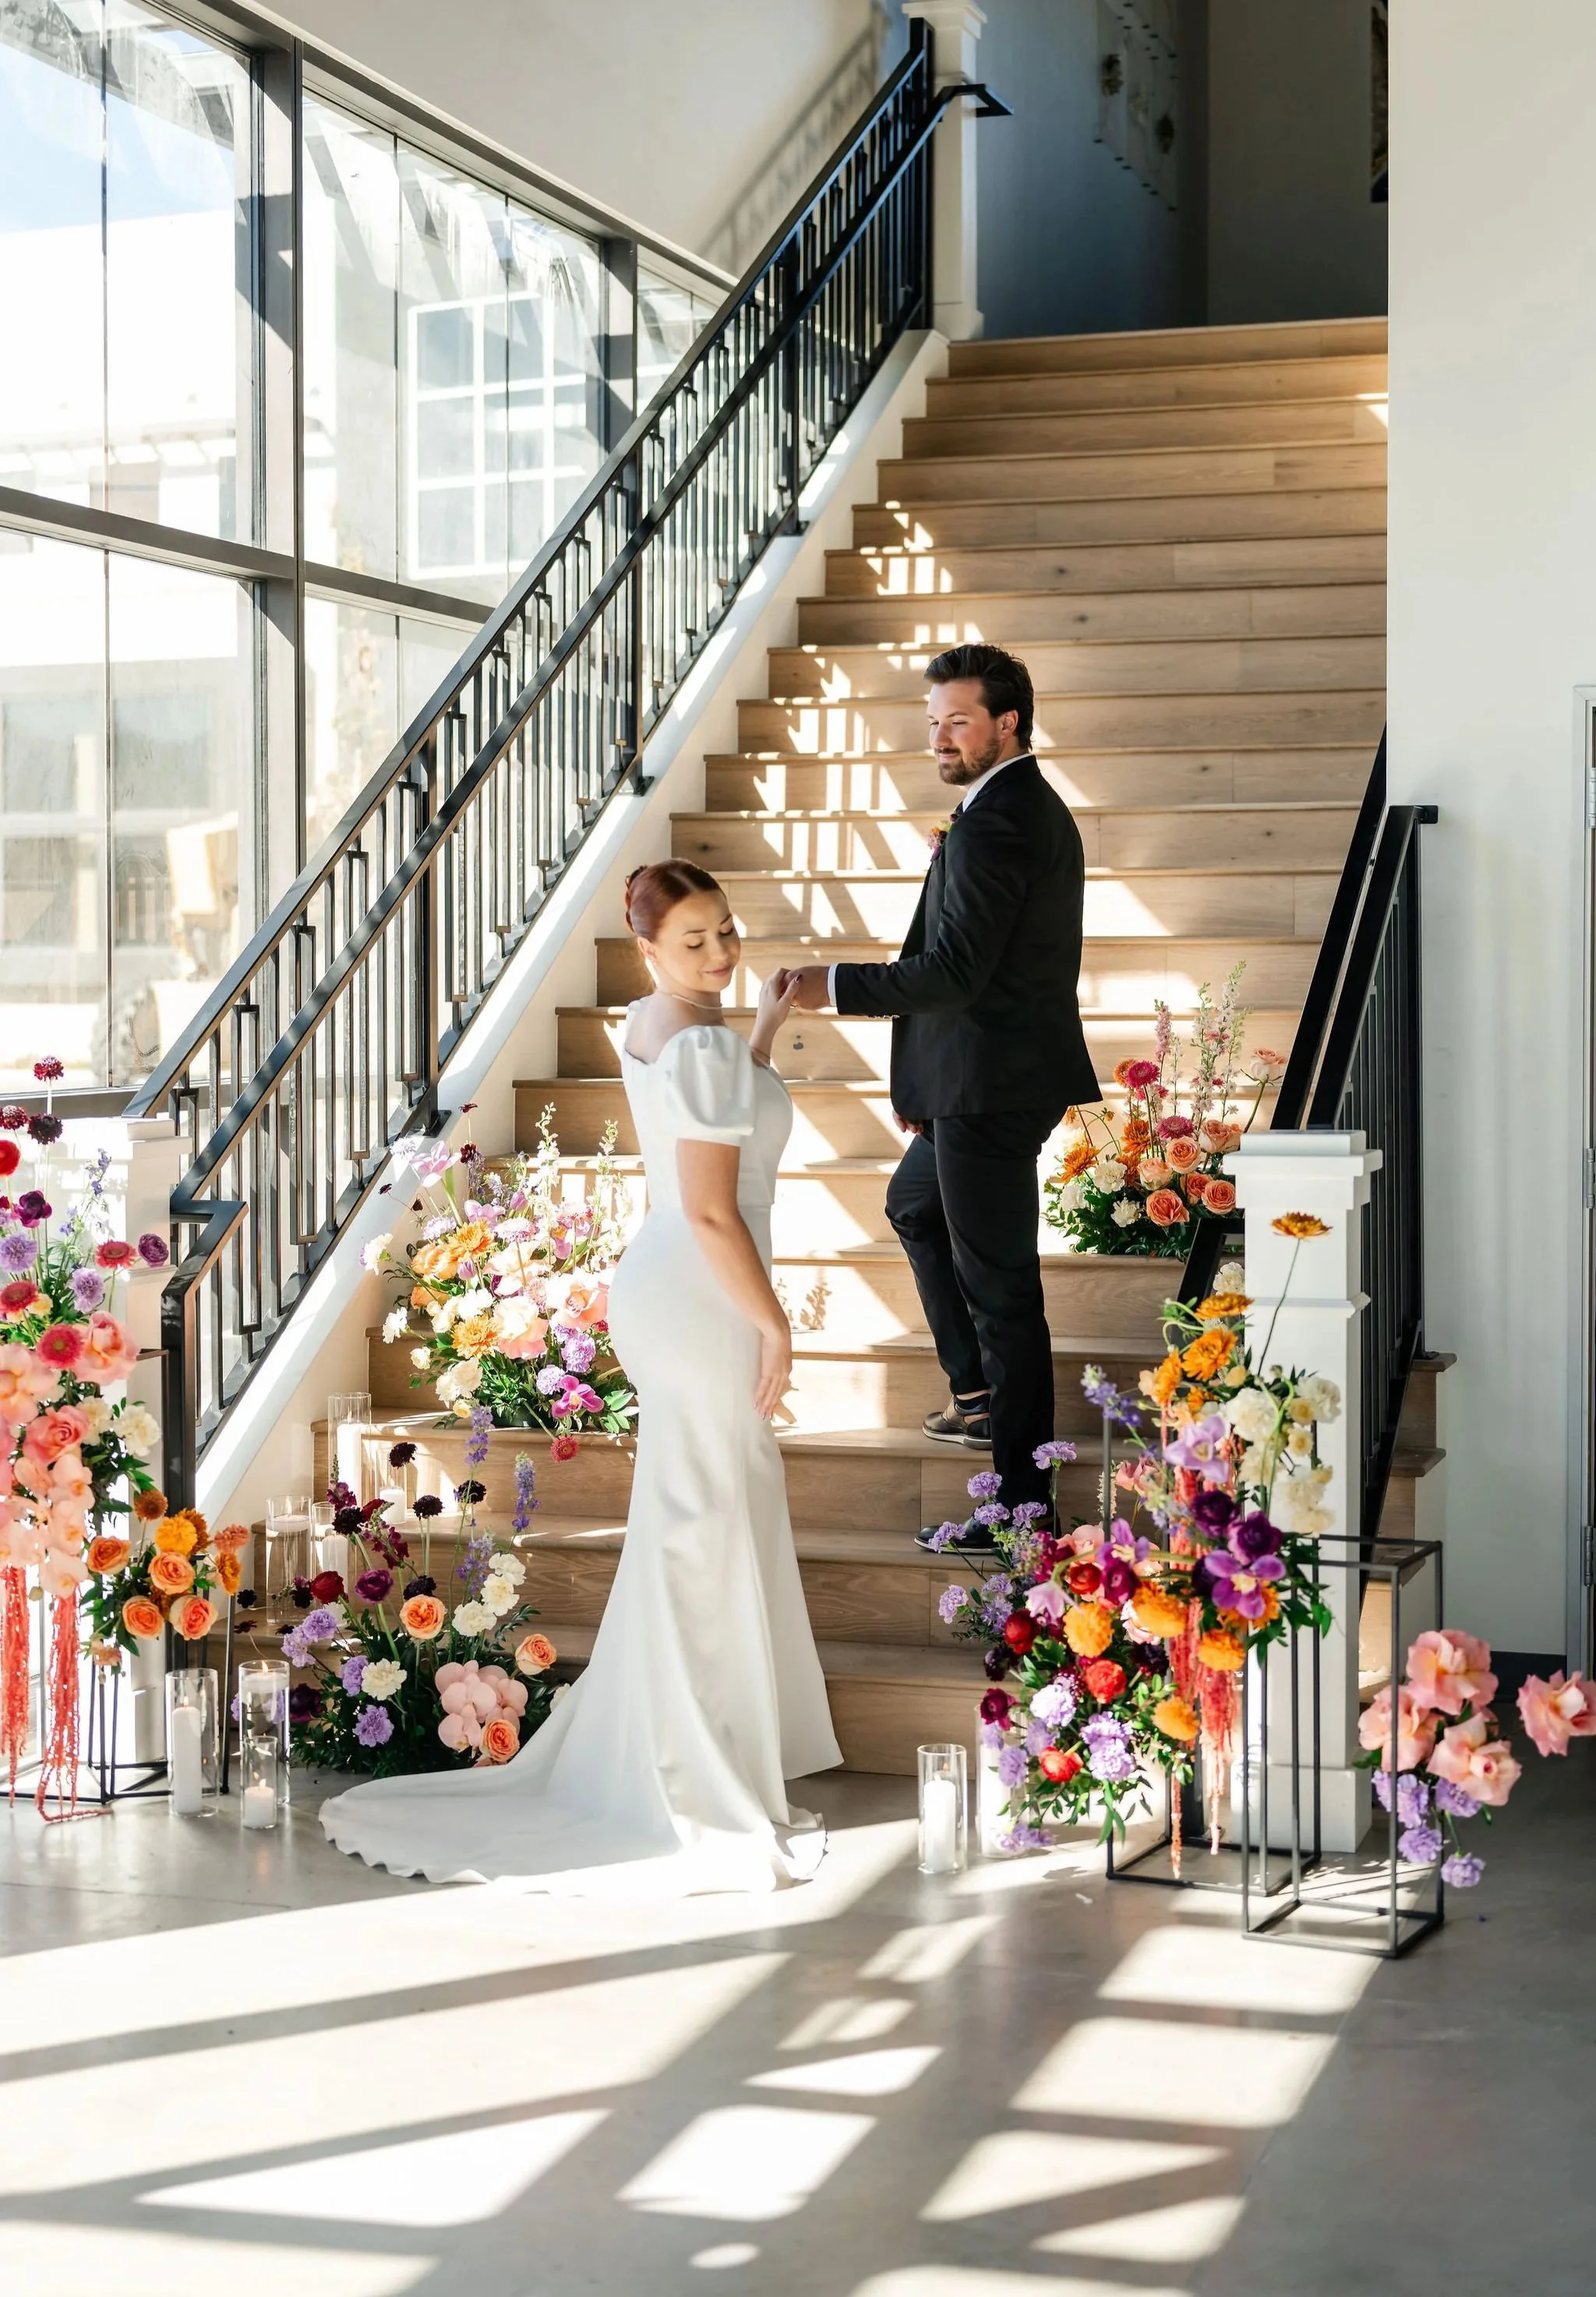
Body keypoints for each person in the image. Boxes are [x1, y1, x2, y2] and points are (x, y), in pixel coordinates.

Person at [321, 860, 842, 1894]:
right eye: (695, 941)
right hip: (705, 1288)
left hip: (676, 1282)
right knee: (701, 1526)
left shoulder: (663, 1022)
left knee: (698, 1517)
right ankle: (687, 1775)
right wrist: (774, 1323)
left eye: (727, 932)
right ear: (650, 950)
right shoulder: (693, 1038)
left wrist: (768, 1027)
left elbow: (711, 1119)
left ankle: (690, 1752)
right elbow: (709, 1204)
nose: (722, 953)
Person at [780, 642, 1099, 1550]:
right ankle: (974, 1394)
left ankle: (1020, 1516)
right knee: (911, 1204)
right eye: (932, 722)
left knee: (1004, 1299)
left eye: (957, 719)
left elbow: (955, 971)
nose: (939, 737)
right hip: (976, 1079)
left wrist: (830, 984)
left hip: (988, 1090)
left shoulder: (1000, 820)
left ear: (1007, 721)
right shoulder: (999, 811)